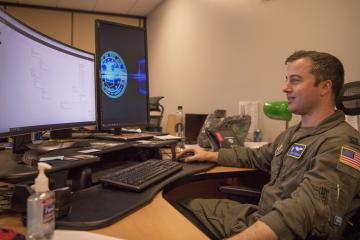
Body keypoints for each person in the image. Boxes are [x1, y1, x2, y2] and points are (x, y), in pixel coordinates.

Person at [177, 50, 360, 239]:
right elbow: (258, 156)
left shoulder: (341, 143)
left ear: (324, 87)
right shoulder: (292, 133)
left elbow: (306, 211)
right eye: (286, 79)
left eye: (295, 80)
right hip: (261, 217)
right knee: (180, 207)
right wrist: (209, 155)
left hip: (280, 231)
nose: (285, 88)